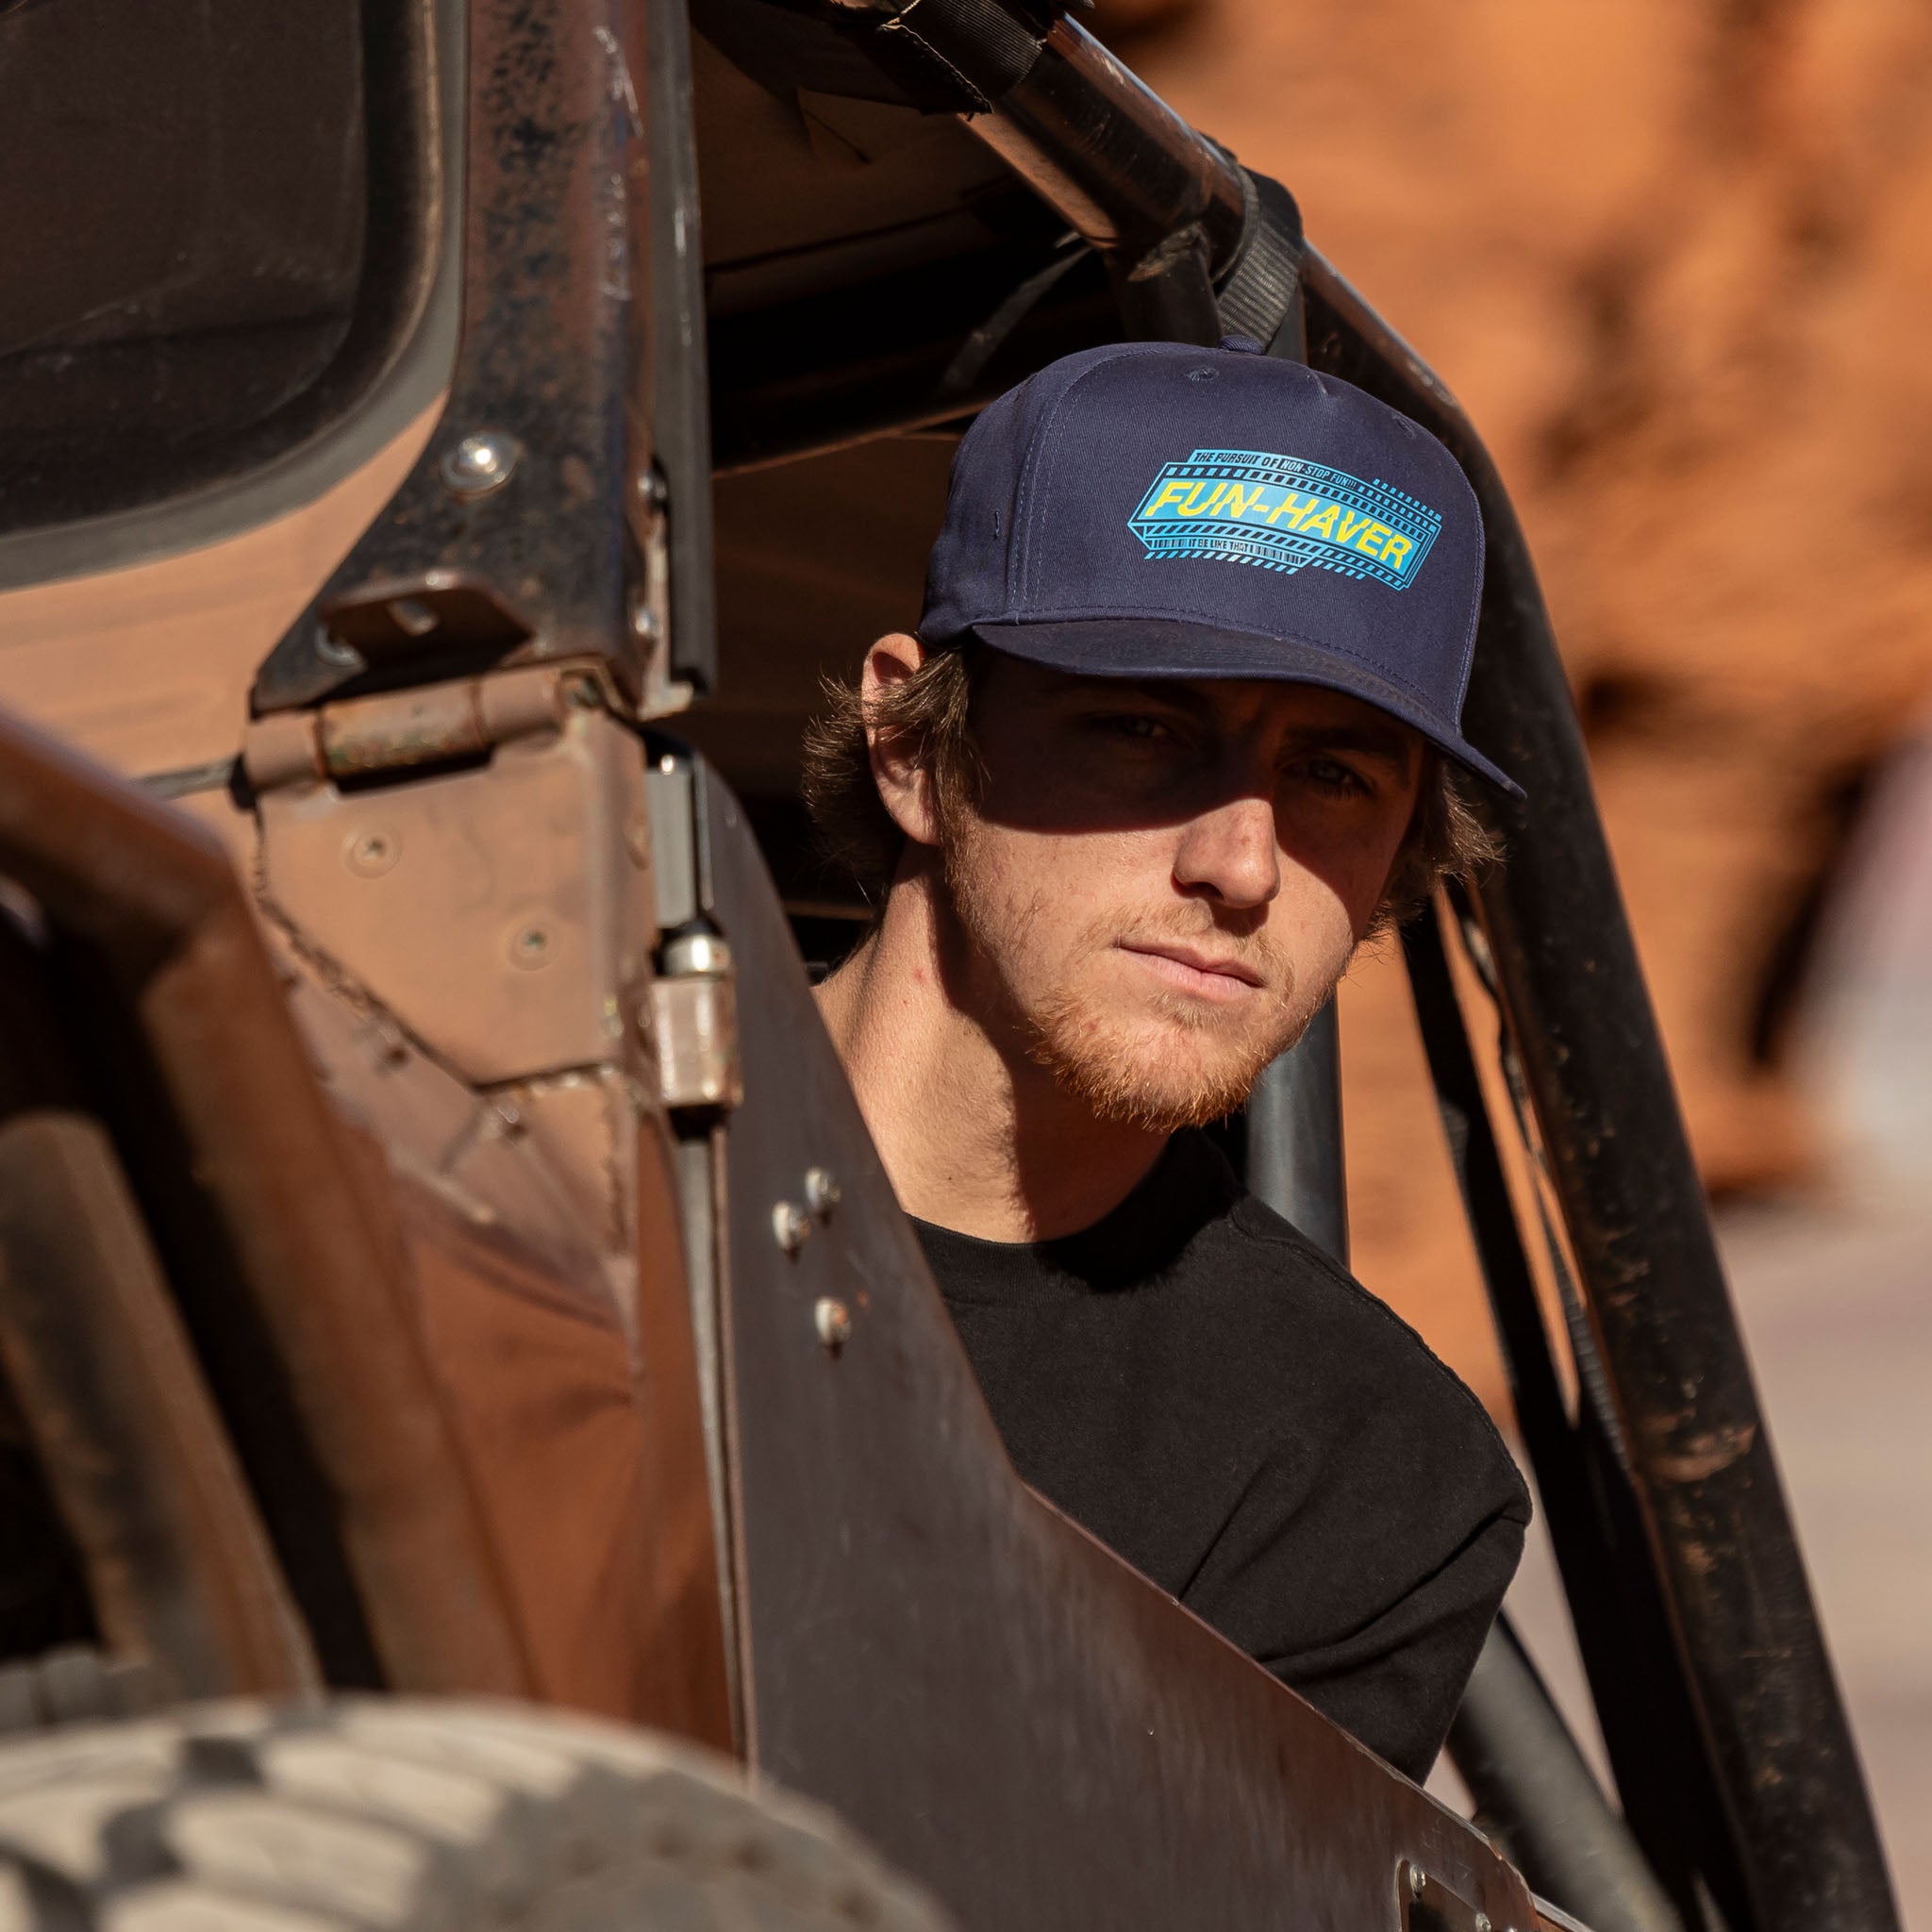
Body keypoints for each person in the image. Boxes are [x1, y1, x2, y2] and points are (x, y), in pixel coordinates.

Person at [803, 334, 1530, 1782]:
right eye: (1144, 728)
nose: (1244, 863)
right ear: (914, 750)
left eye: (1336, 775)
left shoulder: (1361, 1474)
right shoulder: (523, 1137)